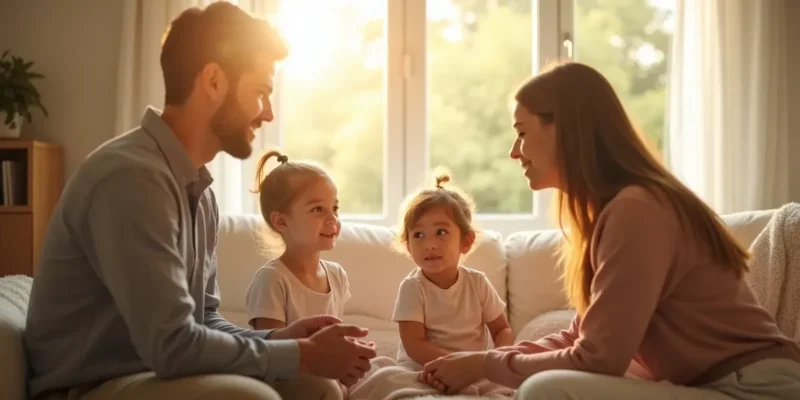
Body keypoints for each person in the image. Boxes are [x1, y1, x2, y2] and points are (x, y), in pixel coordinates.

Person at [23, 3, 375, 400]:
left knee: (317, 386)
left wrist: (279, 338)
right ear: (213, 81)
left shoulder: (198, 191)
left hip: (152, 372)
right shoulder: (131, 178)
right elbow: (173, 346)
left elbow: (203, 319)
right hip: (88, 386)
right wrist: (296, 353)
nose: (268, 114)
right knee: (253, 397)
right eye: (260, 92)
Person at [420, 61, 800, 399]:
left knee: (544, 390)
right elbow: (579, 338)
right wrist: (481, 361)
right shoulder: (618, 210)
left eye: (521, 131)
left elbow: (599, 359)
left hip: (754, 388)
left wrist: (485, 366)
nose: (514, 151)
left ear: (564, 130)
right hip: (713, 385)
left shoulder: (637, 209)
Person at [391, 171, 514, 396]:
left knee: (507, 391)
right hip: (423, 368)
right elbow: (414, 344)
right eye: (418, 235)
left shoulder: (477, 283)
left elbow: (502, 329)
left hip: (471, 370)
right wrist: (451, 366)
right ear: (408, 246)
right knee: (392, 383)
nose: (429, 244)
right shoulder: (412, 287)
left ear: (465, 242)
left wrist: (495, 360)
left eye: (441, 232)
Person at [244, 150, 356, 399]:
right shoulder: (272, 279)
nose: (332, 219)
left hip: (326, 373)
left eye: (334, 208)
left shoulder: (337, 275)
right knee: (327, 388)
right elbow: (272, 351)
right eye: (318, 209)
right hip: (287, 378)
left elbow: (337, 338)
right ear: (281, 222)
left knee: (379, 373)